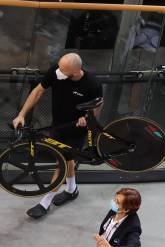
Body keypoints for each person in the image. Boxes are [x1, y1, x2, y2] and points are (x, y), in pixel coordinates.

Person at [12, 53, 103, 219]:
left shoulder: (92, 84)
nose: (58, 72)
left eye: (63, 70)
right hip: (59, 124)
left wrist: (89, 118)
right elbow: (38, 91)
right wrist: (22, 114)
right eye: (59, 67)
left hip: (77, 129)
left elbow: (98, 104)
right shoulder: (56, 71)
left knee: (61, 162)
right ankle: (71, 190)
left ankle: (45, 202)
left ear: (75, 72)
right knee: (66, 159)